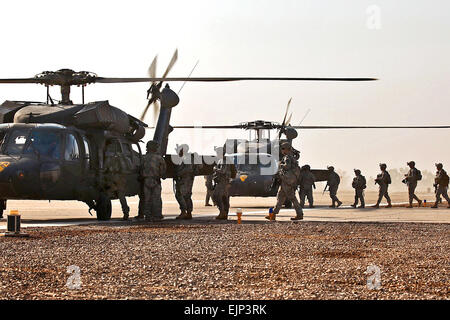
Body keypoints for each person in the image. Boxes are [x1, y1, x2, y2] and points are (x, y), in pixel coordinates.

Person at [266, 142, 303, 221]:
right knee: (280, 197)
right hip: (286, 180)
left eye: (283, 149)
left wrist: (280, 164)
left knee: (292, 198)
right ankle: (273, 214)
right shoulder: (291, 157)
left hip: (287, 181)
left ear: (287, 149)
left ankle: (299, 214)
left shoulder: (287, 157)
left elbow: (287, 167)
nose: (282, 150)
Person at [103, 140, 130, 220]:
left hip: (113, 179)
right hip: (119, 179)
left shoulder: (109, 158)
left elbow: (104, 168)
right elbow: (127, 168)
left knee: (107, 196)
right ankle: (126, 213)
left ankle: (125, 213)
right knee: (121, 197)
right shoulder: (123, 157)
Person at [141, 140, 166, 221]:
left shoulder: (143, 158)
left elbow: (140, 170)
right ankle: (157, 215)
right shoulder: (159, 158)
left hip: (146, 181)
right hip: (156, 181)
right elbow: (163, 171)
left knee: (147, 199)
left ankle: (147, 215)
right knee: (156, 199)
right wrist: (162, 176)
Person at [174, 144, 197, 220]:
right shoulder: (185, 157)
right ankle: (188, 212)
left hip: (185, 179)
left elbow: (188, 169)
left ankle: (184, 212)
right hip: (185, 179)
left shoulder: (186, 158)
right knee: (185, 196)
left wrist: (179, 173)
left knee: (181, 195)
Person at [212, 147, 235, 220]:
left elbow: (223, 171)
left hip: (223, 181)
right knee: (223, 197)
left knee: (218, 196)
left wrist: (215, 169)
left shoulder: (224, 160)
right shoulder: (222, 160)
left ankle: (223, 212)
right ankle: (223, 213)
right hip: (222, 181)